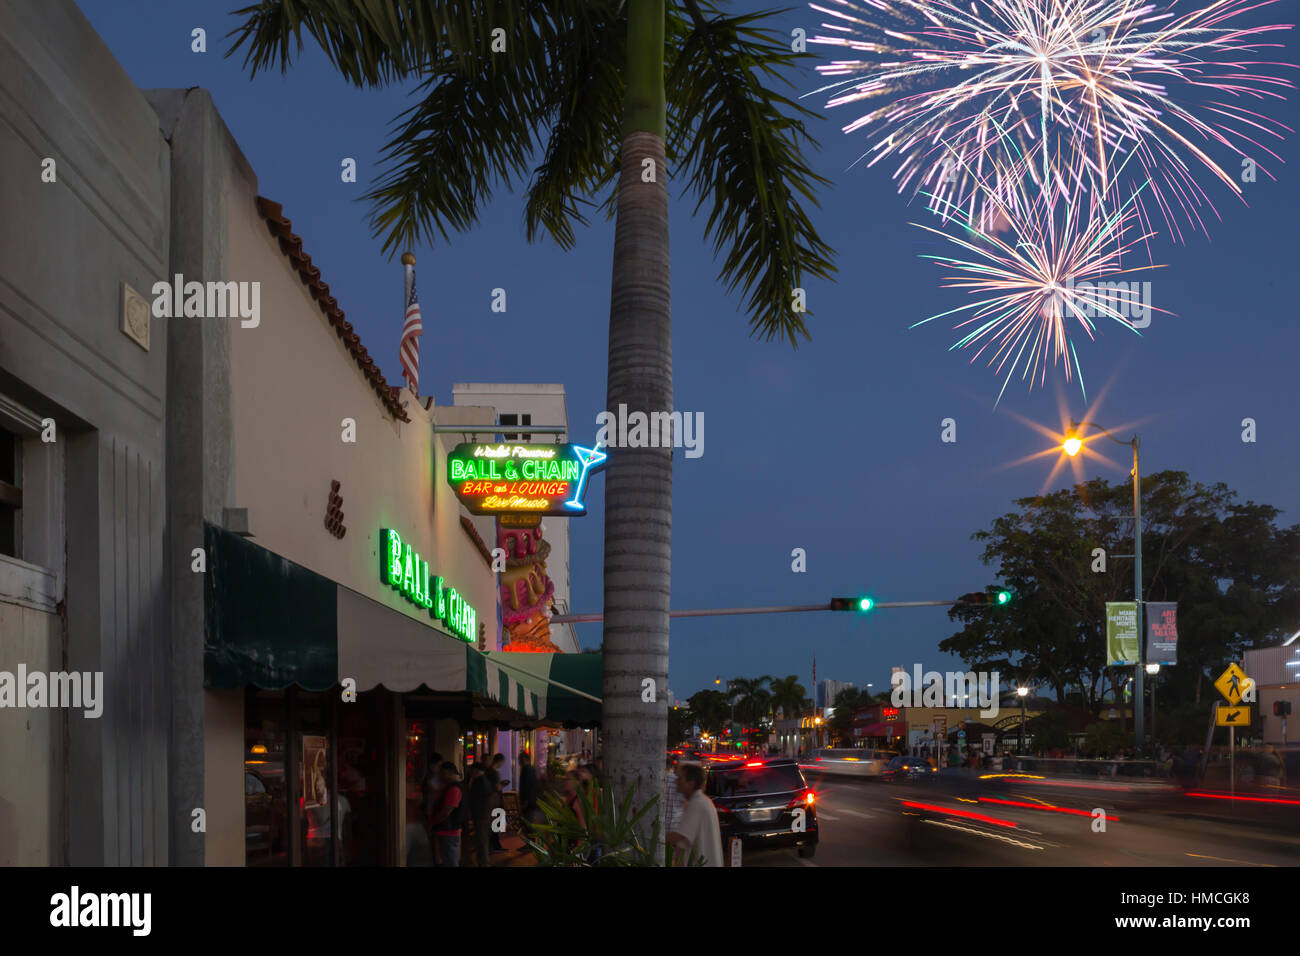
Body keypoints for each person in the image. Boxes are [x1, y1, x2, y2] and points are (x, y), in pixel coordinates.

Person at [667, 763, 723, 867]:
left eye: (680, 778)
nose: (676, 781)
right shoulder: (702, 801)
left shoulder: (697, 804)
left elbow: (678, 836)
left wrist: (651, 841)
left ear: (691, 783)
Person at [427, 762, 464, 867]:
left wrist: (431, 823)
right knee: (448, 860)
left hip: (448, 831)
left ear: (451, 773)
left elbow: (446, 812)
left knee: (450, 862)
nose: (440, 776)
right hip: (447, 830)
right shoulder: (450, 787)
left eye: (443, 773)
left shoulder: (454, 789)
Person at [466, 762, 493, 866]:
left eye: (471, 770)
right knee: (482, 842)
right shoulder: (483, 781)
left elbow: (483, 801)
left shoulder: (480, 782)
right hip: (483, 817)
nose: (470, 772)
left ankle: (484, 864)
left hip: (481, 817)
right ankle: (483, 863)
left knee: (482, 843)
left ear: (475, 770)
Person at [486, 753, 506, 852]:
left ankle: (493, 846)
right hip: (495, 801)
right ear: (500, 761)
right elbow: (497, 787)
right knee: (496, 825)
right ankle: (495, 846)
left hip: (491, 802)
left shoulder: (489, 771)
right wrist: (503, 785)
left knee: (494, 824)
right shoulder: (494, 773)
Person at [518, 751, 539, 835]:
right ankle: (529, 840)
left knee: (528, 820)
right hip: (530, 800)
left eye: (520, 759)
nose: (519, 761)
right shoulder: (528, 769)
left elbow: (528, 787)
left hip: (529, 801)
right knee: (528, 820)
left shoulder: (527, 770)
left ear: (524, 759)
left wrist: (525, 801)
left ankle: (529, 840)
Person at [663, 756, 683, 835]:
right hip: (675, 828)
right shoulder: (679, 782)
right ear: (672, 767)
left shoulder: (655, 780)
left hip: (656, 828)